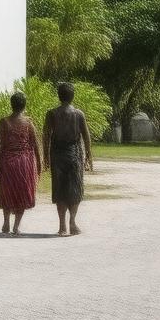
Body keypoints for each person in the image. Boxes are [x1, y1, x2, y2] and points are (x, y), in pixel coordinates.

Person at [43, 81, 93, 236]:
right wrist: (89, 155)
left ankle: (62, 226)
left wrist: (45, 156)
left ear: (59, 96)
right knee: (75, 190)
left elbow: (45, 137)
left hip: (57, 155)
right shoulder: (79, 114)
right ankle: (72, 221)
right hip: (74, 154)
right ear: (72, 96)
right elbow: (86, 136)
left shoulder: (51, 114)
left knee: (60, 190)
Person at [0, 90, 42, 235]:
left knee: (7, 192)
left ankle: (6, 222)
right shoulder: (28, 123)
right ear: (24, 106)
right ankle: (16, 226)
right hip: (24, 163)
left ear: (11, 105)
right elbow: (36, 145)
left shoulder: (4, 122)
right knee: (22, 194)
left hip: (7, 162)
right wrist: (39, 163)